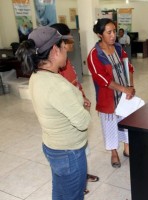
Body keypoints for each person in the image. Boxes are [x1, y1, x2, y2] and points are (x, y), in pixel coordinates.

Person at [15, 26, 91, 199]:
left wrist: (76, 102)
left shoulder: (36, 76)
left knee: (59, 191)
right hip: (69, 152)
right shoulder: (58, 86)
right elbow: (83, 122)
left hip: (52, 146)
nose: (67, 50)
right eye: (64, 46)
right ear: (55, 50)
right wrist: (83, 107)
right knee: (73, 195)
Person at [50, 23, 99, 195]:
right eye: (69, 38)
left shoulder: (66, 60)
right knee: (74, 154)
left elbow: (74, 84)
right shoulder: (55, 68)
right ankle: (78, 183)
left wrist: (83, 96)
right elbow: (64, 94)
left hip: (77, 105)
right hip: (70, 116)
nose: (72, 41)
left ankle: (81, 176)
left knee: (82, 150)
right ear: (60, 43)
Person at [87, 18, 135, 168]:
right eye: (109, 32)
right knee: (110, 125)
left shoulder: (119, 49)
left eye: (114, 31)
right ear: (100, 35)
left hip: (124, 95)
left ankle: (127, 148)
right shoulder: (95, 55)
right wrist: (124, 88)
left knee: (127, 122)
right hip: (108, 98)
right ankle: (114, 153)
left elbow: (129, 67)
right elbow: (102, 79)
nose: (113, 35)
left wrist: (131, 86)